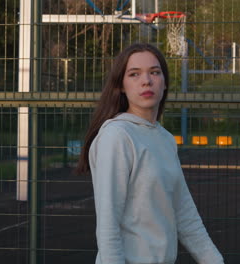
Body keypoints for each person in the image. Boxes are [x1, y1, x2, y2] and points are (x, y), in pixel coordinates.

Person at [76, 43, 224, 264]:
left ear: (164, 83)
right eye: (134, 74)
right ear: (122, 86)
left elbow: (185, 215)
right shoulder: (116, 136)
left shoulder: (165, 139)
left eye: (154, 72)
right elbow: (108, 225)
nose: (146, 80)